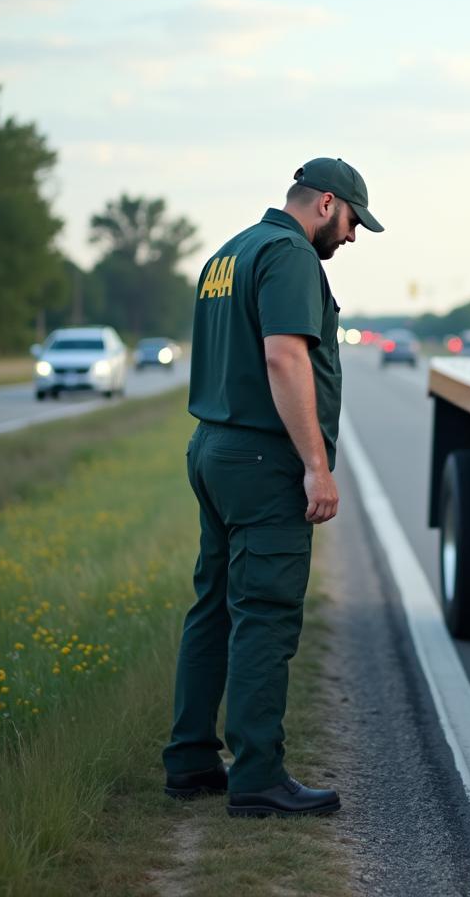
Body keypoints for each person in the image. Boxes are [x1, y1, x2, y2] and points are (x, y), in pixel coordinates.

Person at [162, 157, 383, 818]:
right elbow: (284, 356)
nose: (350, 237)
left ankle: (191, 760)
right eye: (350, 222)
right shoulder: (288, 255)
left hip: (214, 448)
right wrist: (316, 466)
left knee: (215, 607)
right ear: (324, 203)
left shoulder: (230, 253)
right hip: (262, 461)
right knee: (265, 614)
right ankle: (257, 775)